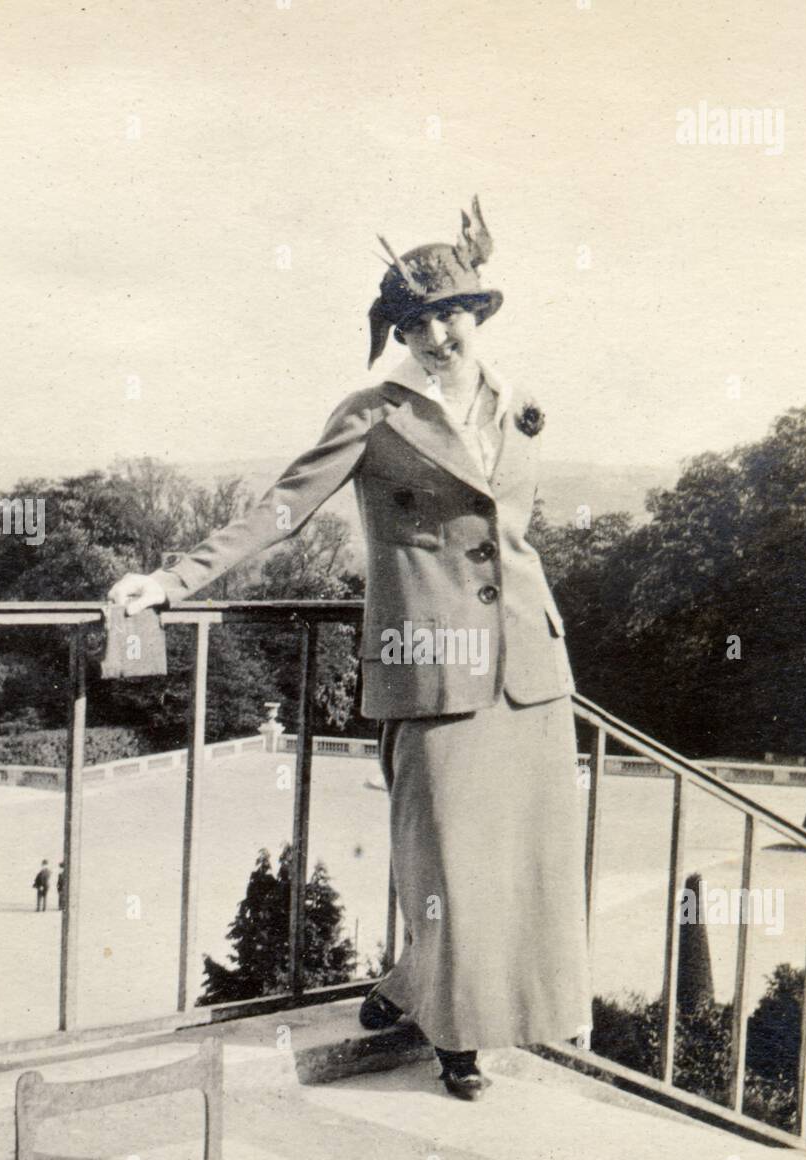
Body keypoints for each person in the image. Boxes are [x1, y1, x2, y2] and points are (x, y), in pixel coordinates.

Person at [108, 197, 591, 1101]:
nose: (439, 333)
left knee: (523, 858)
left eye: (453, 312)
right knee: (442, 856)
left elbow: (509, 533)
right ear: (399, 330)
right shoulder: (373, 413)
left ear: (479, 312)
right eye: (418, 321)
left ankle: (421, 987)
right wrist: (171, 582)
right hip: (432, 662)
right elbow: (283, 510)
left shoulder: (514, 403)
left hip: (528, 664)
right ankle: (452, 1031)